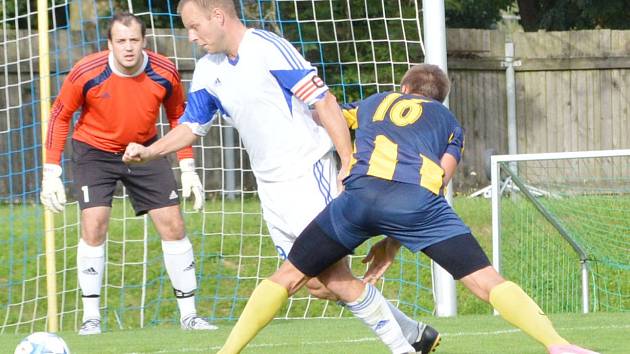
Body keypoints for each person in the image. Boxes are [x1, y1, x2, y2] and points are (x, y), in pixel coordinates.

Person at [213, 64, 601, 354]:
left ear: (404, 88)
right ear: (439, 99)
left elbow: (323, 112)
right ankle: (558, 344)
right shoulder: (449, 123)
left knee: (288, 276)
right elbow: (441, 180)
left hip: (358, 198)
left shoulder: (372, 102)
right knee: (487, 282)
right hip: (416, 207)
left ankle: (227, 352)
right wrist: (393, 242)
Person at [122, 1, 439, 353]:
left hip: (307, 172)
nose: (191, 36)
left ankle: (405, 348)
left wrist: (348, 160)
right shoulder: (207, 71)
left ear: (218, 16)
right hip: (270, 188)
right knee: (319, 284)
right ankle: (414, 333)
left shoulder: (268, 49)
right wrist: (150, 152)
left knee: (330, 274)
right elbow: (192, 127)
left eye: (195, 26)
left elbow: (324, 101)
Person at [40, 12, 216, 335]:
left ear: (143, 41)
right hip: (94, 151)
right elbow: (59, 115)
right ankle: (90, 318)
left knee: (174, 225)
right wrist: (51, 171)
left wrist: (188, 168)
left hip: (144, 150)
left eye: (134, 40)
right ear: (110, 44)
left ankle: (190, 316)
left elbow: (180, 116)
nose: (128, 47)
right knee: (94, 224)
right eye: (121, 41)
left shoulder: (164, 71)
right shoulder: (87, 71)